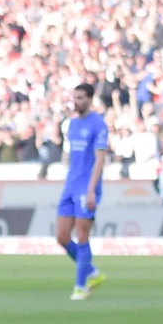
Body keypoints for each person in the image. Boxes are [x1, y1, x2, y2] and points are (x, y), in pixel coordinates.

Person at [56, 82, 108, 301]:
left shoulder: (98, 124)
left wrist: (91, 190)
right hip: (70, 184)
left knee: (82, 234)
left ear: (89, 99)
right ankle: (91, 272)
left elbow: (100, 160)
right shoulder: (72, 124)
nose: (76, 102)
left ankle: (80, 286)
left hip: (87, 187)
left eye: (80, 98)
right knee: (62, 237)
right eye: (74, 98)